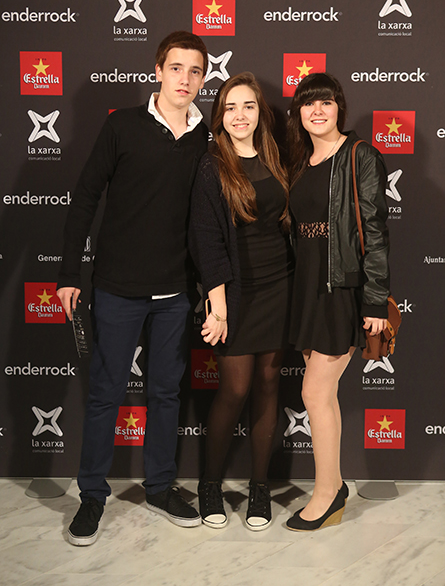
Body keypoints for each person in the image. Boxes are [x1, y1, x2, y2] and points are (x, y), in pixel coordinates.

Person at [57, 31, 209, 545]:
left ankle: (160, 487)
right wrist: (68, 275)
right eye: (176, 68)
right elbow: (85, 198)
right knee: (105, 394)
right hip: (117, 289)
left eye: (194, 71)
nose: (184, 79)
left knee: (166, 394)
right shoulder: (122, 125)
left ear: (202, 79)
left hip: (175, 293)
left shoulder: (206, 137)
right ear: (158, 71)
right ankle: (92, 497)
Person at [189, 72, 294, 531]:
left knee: (269, 384)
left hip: (280, 287)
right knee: (234, 389)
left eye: (248, 106)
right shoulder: (212, 165)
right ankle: (209, 484)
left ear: (260, 112)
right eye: (230, 107)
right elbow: (206, 240)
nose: (239, 115)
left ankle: (260, 488)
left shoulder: (278, 158)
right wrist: (218, 306)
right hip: (234, 292)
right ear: (220, 116)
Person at [285, 72, 390, 531]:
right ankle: (335, 485)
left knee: (314, 392)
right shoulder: (299, 162)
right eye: (309, 103)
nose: (317, 110)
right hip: (306, 288)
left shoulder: (360, 155)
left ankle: (327, 494)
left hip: (341, 289)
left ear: (338, 107)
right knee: (323, 395)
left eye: (325, 101)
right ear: (299, 112)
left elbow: (375, 231)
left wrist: (375, 301)